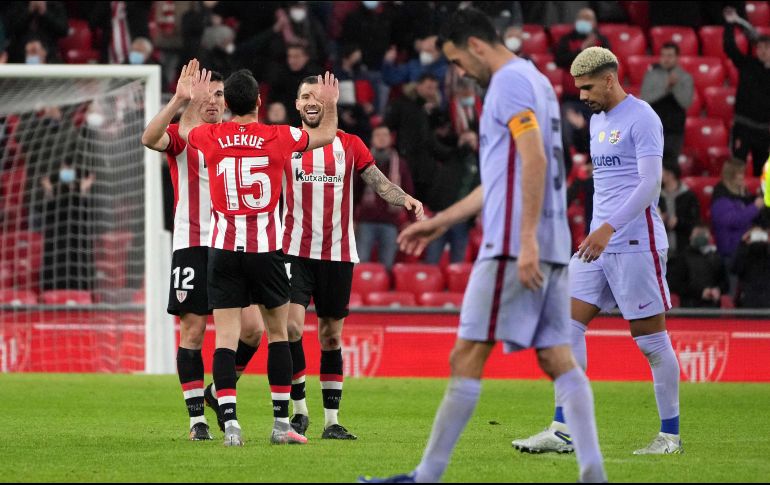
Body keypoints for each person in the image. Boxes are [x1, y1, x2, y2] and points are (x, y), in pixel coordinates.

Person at [360, 9, 606, 483]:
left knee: (467, 356)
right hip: (551, 243)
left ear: (474, 45)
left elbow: (532, 158)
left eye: (455, 60)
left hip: (515, 244)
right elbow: (505, 173)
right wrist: (442, 221)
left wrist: (526, 240)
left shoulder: (508, 84)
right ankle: (594, 475)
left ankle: (425, 476)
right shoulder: (535, 80)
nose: (457, 71)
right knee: (557, 357)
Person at [513, 47, 683, 456]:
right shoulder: (597, 121)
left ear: (610, 79)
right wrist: (596, 230)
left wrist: (607, 229)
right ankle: (563, 430)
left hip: (635, 242)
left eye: (588, 87)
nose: (583, 95)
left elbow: (649, 186)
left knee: (651, 341)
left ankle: (670, 437)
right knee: (564, 326)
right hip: (597, 244)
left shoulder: (643, 117)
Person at [185, 68, 339, 447]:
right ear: (258, 102)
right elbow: (326, 135)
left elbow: (186, 129)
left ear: (226, 104)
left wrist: (193, 98)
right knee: (277, 335)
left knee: (224, 339)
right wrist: (331, 105)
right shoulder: (279, 135)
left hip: (222, 249)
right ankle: (280, 424)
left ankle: (231, 425)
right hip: (265, 250)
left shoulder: (210, 135)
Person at [283, 77, 423, 440]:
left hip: (337, 252)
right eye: (306, 96)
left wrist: (405, 198)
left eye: (320, 96)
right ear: (297, 105)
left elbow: (378, 182)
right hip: (293, 249)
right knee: (291, 328)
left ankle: (331, 422)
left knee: (331, 337)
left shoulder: (350, 144)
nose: (312, 101)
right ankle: (299, 411)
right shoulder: (285, 141)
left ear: (332, 102)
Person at [140, 60, 264, 441]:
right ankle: (197, 419)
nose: (213, 100)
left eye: (220, 94)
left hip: (232, 242)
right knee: (193, 331)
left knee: (254, 330)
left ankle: (217, 391)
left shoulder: (233, 136)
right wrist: (178, 98)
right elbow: (148, 138)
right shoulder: (179, 135)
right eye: (206, 93)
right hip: (192, 242)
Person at [355, 125, 416, 270]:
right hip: (366, 221)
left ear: (390, 139)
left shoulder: (400, 164)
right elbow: (354, 192)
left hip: (390, 222)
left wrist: (411, 220)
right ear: (372, 139)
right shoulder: (362, 162)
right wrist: (351, 219)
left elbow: (408, 192)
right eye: (378, 135)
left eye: (384, 135)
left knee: (387, 265)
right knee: (361, 263)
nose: (381, 139)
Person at [723, 7, 770, 176]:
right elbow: (729, 47)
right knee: (736, 167)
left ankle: (761, 202)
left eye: (767, 48)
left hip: (765, 131)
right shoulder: (747, 64)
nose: (763, 51)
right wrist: (730, 24)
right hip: (743, 126)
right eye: (760, 47)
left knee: (763, 171)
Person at [641, 43, 694, 167]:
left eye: (670, 56)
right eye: (663, 55)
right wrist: (666, 86)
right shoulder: (651, 75)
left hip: (674, 130)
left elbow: (686, 102)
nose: (666, 59)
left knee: (670, 167)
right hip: (653, 130)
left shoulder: (685, 77)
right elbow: (645, 98)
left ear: (677, 58)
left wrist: (675, 87)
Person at [710, 158, 763, 265]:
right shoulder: (721, 196)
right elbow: (733, 220)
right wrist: (755, 207)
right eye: (740, 173)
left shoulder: (741, 192)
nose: (743, 176)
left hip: (744, 248)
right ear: (731, 175)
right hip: (731, 251)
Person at [554, 8, 610, 104]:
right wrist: (582, 48)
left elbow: (608, 65)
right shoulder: (566, 39)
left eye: (588, 19)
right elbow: (560, 61)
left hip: (596, 97)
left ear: (595, 23)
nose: (584, 21)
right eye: (581, 18)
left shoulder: (602, 41)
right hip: (571, 97)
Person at [667, 224, 729, 308]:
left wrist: (718, 290)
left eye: (703, 233)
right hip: (689, 309)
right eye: (697, 234)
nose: (700, 237)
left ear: (710, 237)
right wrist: (700, 293)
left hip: (713, 308)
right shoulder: (682, 258)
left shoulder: (716, 257)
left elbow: (725, 283)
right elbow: (676, 285)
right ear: (690, 237)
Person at [659, 163, 700, 255]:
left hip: (683, 248)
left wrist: (678, 221)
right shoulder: (657, 196)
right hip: (661, 248)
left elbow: (694, 222)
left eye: (662, 170)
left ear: (670, 174)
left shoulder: (688, 196)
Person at [733, 226, 770, 308]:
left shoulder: (767, 255)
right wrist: (742, 244)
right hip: (749, 298)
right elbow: (735, 268)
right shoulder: (745, 255)